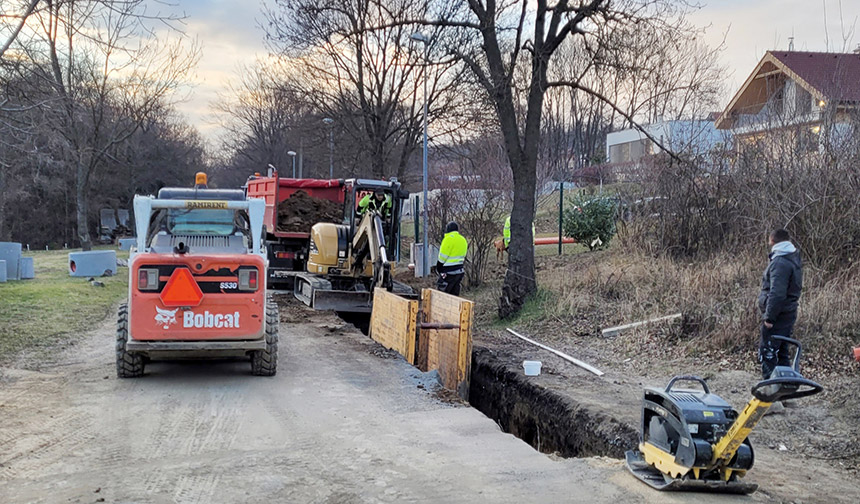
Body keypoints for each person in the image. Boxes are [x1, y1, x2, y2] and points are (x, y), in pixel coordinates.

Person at [758, 228, 803, 379]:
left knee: (769, 354)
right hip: (788, 313)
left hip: (778, 315)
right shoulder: (792, 257)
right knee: (782, 354)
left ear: (772, 240)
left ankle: (772, 397)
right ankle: (786, 394)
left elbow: (777, 294)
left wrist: (769, 318)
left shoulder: (780, 262)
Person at [436, 221, 468, 296]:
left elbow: (442, 257)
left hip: (448, 272)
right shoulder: (462, 239)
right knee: (455, 295)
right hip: (460, 271)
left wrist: (439, 268)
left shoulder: (448, 239)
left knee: (443, 295)